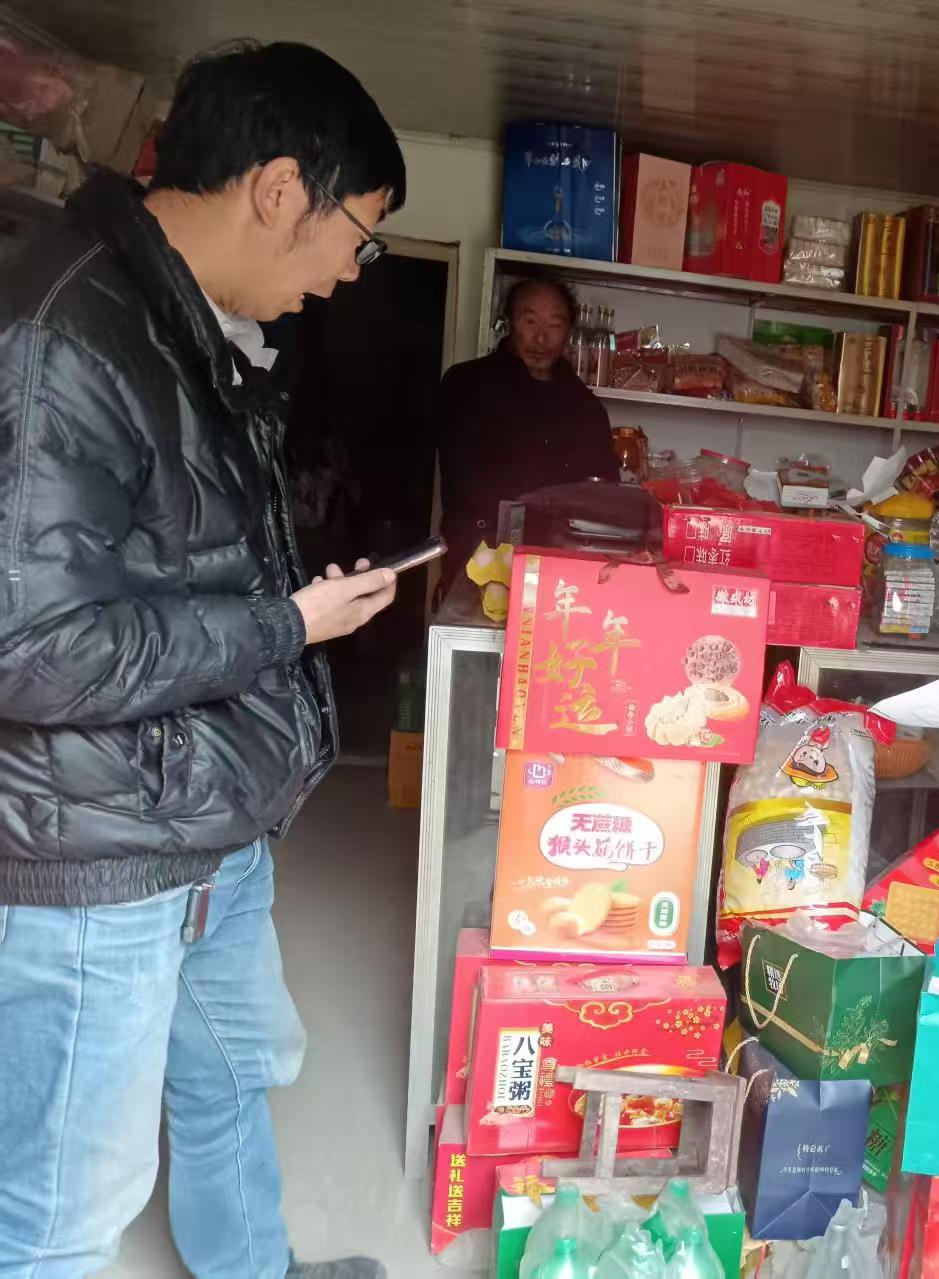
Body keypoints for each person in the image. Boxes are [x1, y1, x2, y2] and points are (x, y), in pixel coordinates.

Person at [0, 41, 406, 1279]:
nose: (346, 273)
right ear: (279, 189)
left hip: (203, 817)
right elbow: (33, 649)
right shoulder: (67, 334)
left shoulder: (180, 323)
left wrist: (294, 609)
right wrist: (290, 626)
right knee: (65, 1208)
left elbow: (174, 563)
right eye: (359, 235)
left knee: (232, 1071)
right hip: (101, 851)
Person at [435, 277, 620, 581]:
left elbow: (602, 488)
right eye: (530, 321)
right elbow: (462, 476)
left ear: (568, 331)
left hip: (557, 567)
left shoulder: (585, 406)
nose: (541, 338)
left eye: (554, 325)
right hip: (477, 559)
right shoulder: (467, 384)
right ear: (510, 321)